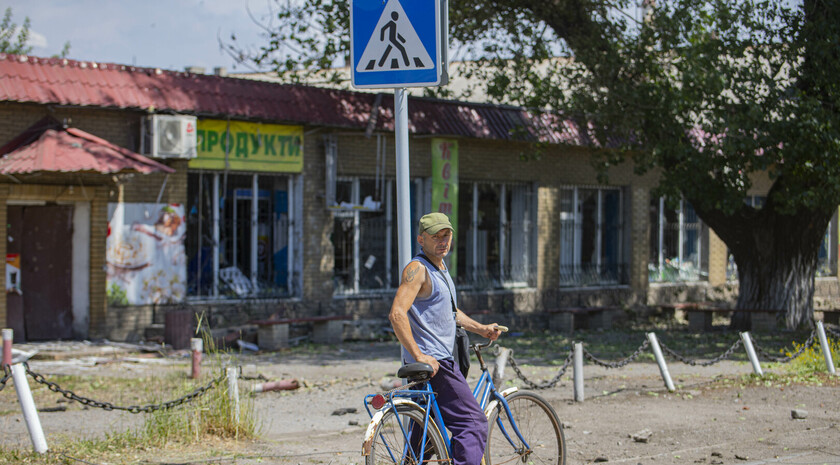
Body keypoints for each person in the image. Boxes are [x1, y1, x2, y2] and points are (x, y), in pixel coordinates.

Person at [389, 212, 503, 465]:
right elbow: (397, 314)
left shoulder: (440, 268)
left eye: (446, 235)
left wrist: (481, 328)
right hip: (436, 362)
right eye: (435, 237)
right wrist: (420, 356)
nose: (443, 241)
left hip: (433, 363)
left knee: (427, 432)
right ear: (421, 239)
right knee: (473, 423)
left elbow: (450, 313)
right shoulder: (417, 269)